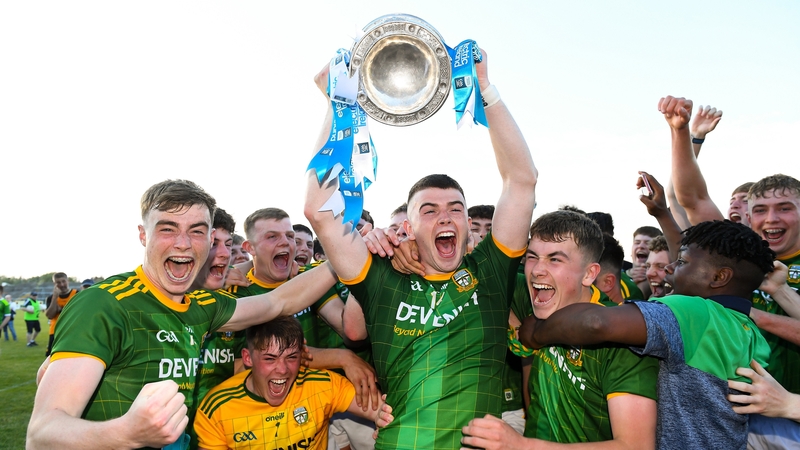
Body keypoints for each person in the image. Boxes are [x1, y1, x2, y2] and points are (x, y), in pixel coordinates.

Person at [306, 48, 538, 448]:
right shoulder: (381, 278)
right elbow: (320, 211)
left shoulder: (493, 272)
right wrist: (336, 104)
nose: (445, 218)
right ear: (408, 227)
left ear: (468, 223)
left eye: (455, 209)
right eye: (429, 211)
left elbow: (522, 181)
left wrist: (485, 90)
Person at [27, 179, 347, 449]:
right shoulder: (104, 305)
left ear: (208, 240)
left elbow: (278, 302)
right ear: (143, 235)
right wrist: (127, 432)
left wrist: (350, 256)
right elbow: (41, 434)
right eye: (168, 229)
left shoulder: (201, 306)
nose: (183, 244)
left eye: (196, 231)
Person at [518, 219, 776, 449]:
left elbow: (596, 323)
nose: (670, 268)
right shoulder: (750, 332)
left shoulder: (696, 311)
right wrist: (662, 212)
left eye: (682, 262)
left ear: (719, 277)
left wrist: (537, 333)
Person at [462, 210, 658, 449]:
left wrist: (522, 446)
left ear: (589, 274)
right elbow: (488, 280)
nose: (536, 270)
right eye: (532, 257)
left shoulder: (622, 342)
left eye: (555, 259)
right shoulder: (539, 304)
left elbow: (635, 446)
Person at [193, 316, 393, 450]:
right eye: (270, 359)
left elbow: (378, 409)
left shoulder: (322, 384)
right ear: (247, 358)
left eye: (291, 357)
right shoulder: (217, 409)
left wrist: (382, 417)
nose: (282, 369)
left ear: (303, 355)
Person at [748, 174, 800, 395]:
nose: (771, 218)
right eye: (760, 210)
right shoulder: (738, 260)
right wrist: (691, 139)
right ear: (749, 219)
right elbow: (692, 201)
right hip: (748, 412)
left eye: (784, 208)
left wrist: (752, 315)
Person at [44, 272, 79, 356]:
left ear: (68, 281)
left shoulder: (77, 294)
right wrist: (55, 298)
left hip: (73, 330)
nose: (62, 284)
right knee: (52, 358)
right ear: (54, 284)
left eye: (64, 281)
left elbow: (78, 312)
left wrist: (61, 309)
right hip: (55, 331)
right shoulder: (51, 298)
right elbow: (49, 315)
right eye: (58, 282)